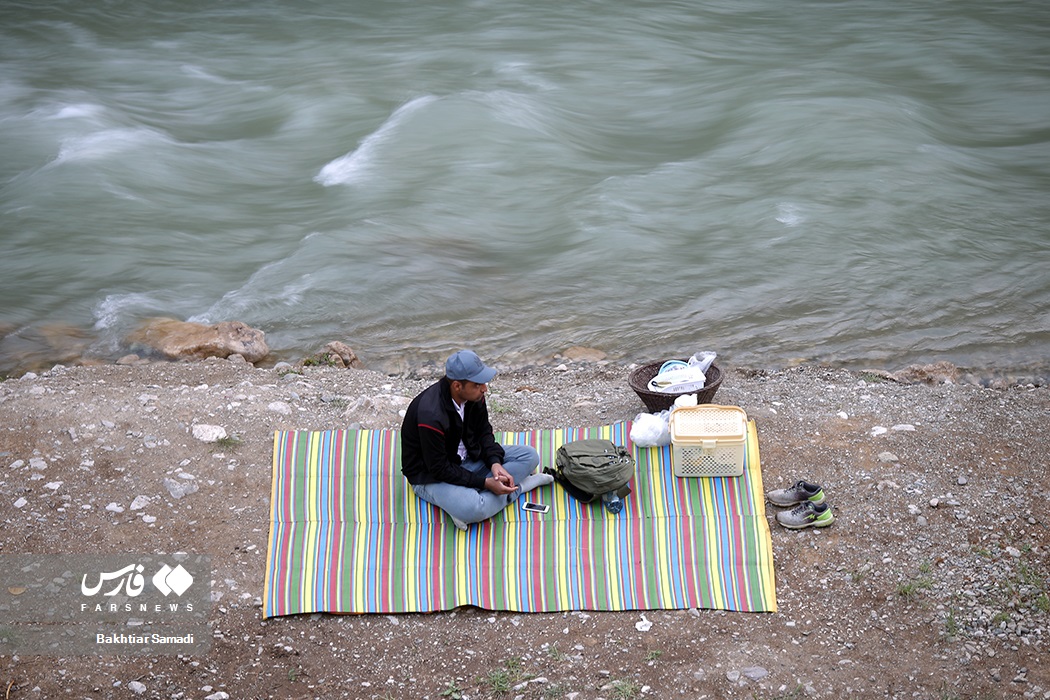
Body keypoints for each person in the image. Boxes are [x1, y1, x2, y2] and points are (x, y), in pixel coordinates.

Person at [400, 349, 552, 530]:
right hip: (430, 476)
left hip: (469, 459)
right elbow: (439, 468)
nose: (484, 388)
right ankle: (519, 488)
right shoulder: (431, 415)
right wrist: (485, 483)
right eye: (478, 384)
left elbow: (484, 433)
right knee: (473, 508)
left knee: (530, 456)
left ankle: (477, 495)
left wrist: (495, 463)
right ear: (457, 386)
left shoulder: (474, 396)